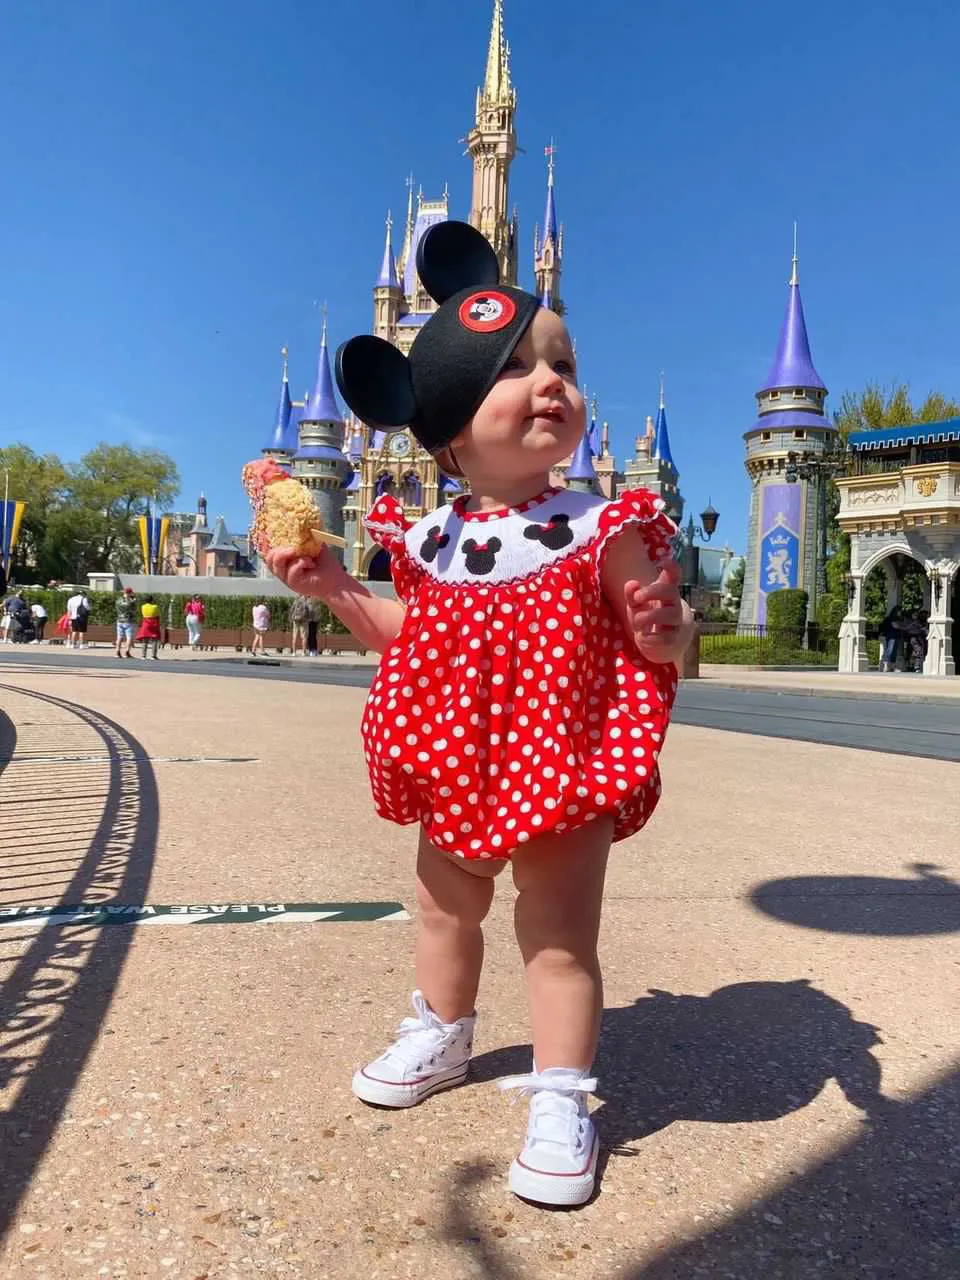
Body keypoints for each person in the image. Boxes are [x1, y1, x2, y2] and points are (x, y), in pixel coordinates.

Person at [266, 222, 693, 1207]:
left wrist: (665, 625)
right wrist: (333, 583)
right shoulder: (429, 535)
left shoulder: (602, 525)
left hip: (560, 760)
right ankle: (442, 1028)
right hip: (459, 762)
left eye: (562, 362)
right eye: (517, 370)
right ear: (451, 430)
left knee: (556, 932)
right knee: (444, 905)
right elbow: (407, 634)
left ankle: (561, 1091)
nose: (551, 381)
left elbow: (658, 638)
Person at [136, 595, 161, 660]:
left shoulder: (143, 607)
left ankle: (143, 655)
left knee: (145, 639)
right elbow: (157, 615)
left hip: (145, 623)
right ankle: (153, 655)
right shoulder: (155, 607)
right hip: (153, 623)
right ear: (152, 600)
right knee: (154, 639)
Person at [879, 604, 902, 672]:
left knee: (894, 652)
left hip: (895, 636)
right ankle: (886, 666)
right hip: (891, 636)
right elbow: (896, 626)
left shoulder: (897, 618)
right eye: (899, 611)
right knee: (890, 650)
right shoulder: (892, 618)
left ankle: (892, 667)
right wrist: (904, 626)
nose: (900, 613)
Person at [115, 587, 136, 658]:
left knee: (119, 637)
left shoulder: (118, 600)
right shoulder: (131, 601)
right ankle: (127, 651)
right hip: (128, 620)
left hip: (119, 620)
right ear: (130, 593)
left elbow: (117, 609)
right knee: (129, 637)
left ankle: (117, 651)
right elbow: (134, 611)